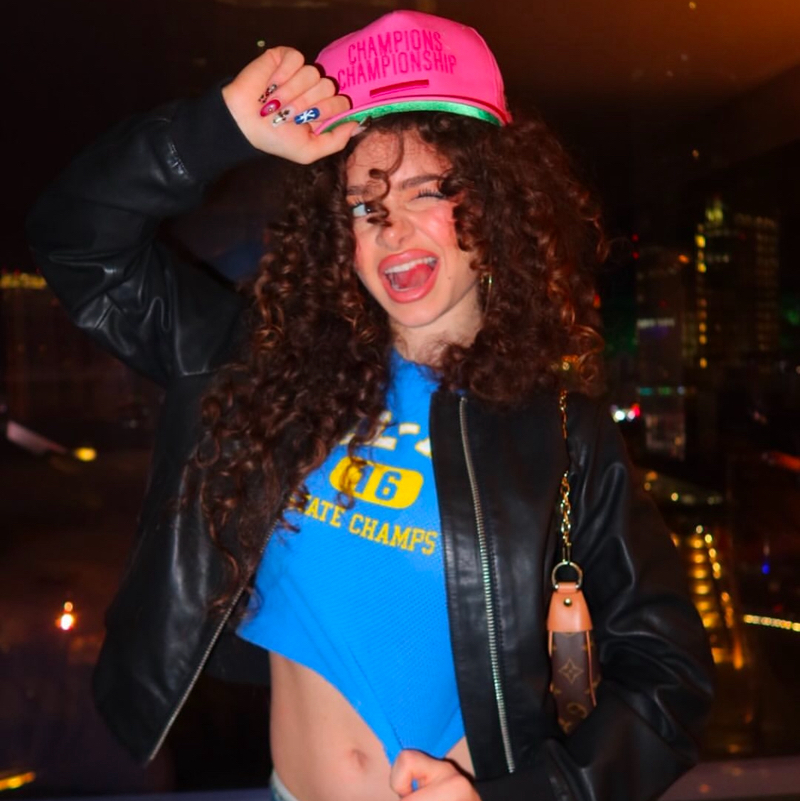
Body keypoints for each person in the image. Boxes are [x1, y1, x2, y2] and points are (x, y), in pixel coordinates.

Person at [27, 10, 714, 801]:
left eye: (429, 192)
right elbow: (75, 240)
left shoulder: (562, 433)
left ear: (496, 207)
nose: (393, 231)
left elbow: (669, 676)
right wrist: (217, 129)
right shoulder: (263, 367)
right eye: (365, 205)